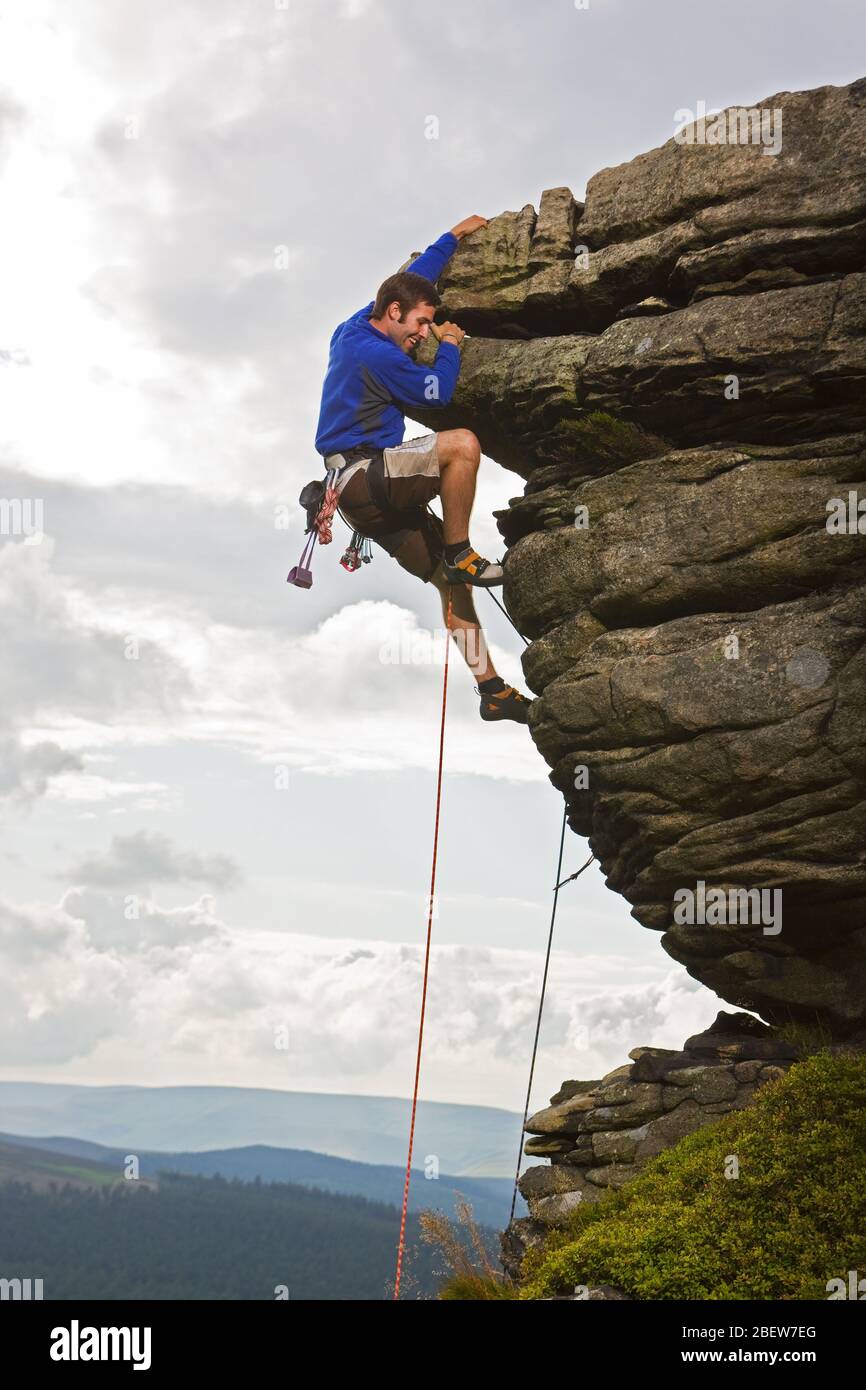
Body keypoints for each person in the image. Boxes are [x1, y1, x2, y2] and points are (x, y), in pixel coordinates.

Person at [313, 215, 533, 724]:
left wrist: (452, 239)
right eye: (418, 325)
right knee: (462, 446)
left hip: (359, 502)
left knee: (448, 586)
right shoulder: (379, 356)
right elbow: (439, 392)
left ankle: (492, 689)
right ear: (393, 313)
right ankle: (460, 551)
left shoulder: (352, 327)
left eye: (430, 327)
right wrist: (451, 344)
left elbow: (416, 278)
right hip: (369, 477)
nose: (423, 334)